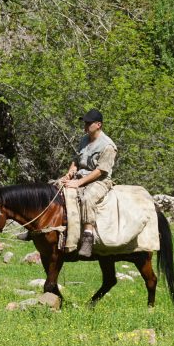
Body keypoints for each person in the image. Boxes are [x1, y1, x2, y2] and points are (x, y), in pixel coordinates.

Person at [61, 109, 117, 258]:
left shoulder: (108, 146)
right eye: (85, 123)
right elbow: (76, 160)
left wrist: (79, 182)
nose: (85, 126)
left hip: (100, 181)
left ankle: (87, 237)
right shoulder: (84, 140)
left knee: (87, 198)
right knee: (56, 188)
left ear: (98, 125)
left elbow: (100, 171)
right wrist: (69, 173)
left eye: (88, 123)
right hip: (80, 177)